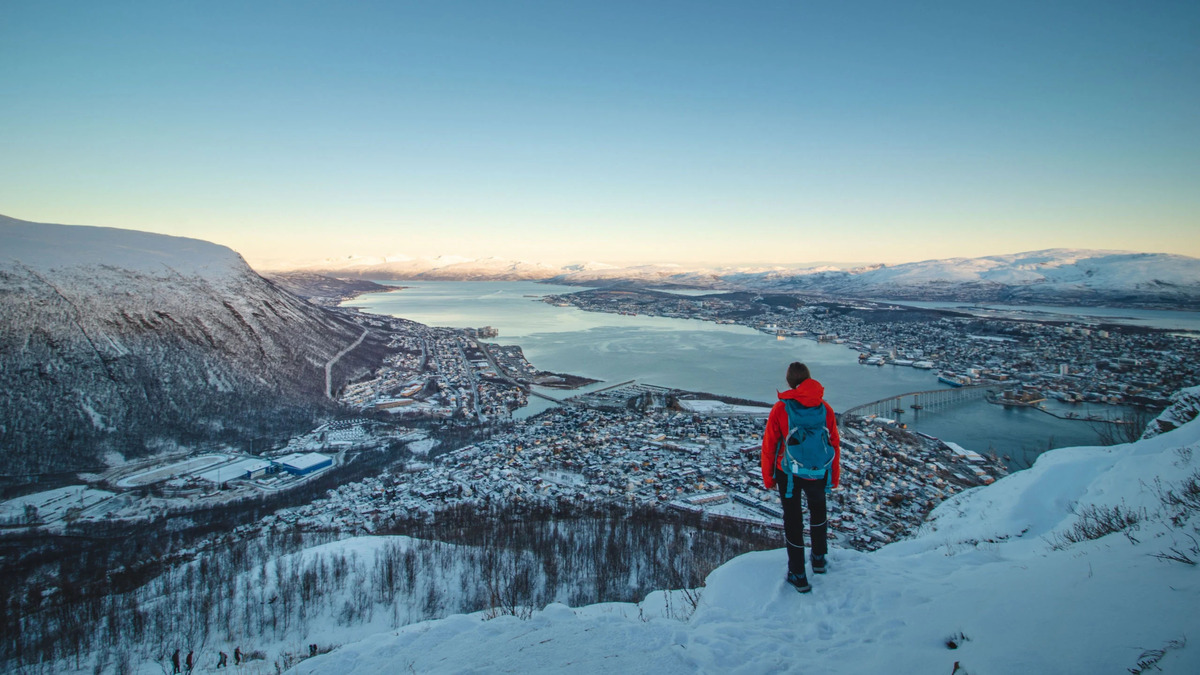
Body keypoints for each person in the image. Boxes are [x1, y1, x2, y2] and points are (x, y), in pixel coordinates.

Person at [760, 362, 841, 593]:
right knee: (818, 511)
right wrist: (833, 476)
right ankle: (818, 558)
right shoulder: (825, 409)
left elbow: (769, 446)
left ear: (789, 382)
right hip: (818, 470)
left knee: (793, 520)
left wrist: (768, 477)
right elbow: (833, 444)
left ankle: (798, 573)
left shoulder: (781, 408)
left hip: (788, 473)